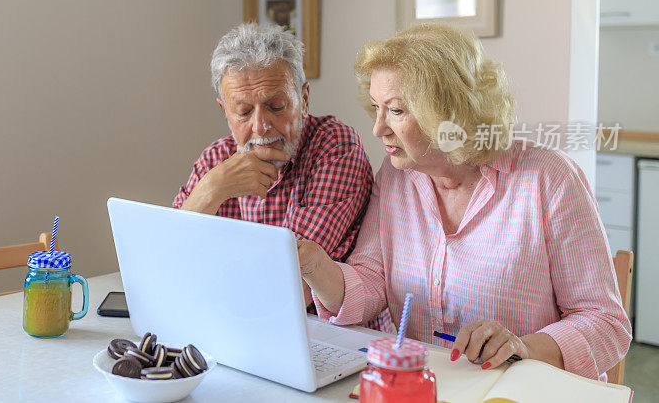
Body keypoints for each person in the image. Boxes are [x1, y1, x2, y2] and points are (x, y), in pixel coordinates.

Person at [297, 23, 631, 380]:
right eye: (377, 108)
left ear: (447, 112)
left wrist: (523, 347)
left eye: (395, 111)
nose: (378, 128)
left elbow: (606, 322)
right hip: (428, 387)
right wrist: (317, 267)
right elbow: (372, 279)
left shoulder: (550, 179)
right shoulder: (396, 175)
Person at [173, 22, 374, 308]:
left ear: (303, 99)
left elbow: (287, 282)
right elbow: (169, 265)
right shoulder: (215, 160)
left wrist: (205, 270)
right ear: (225, 112)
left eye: (276, 106)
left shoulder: (335, 148)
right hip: (231, 323)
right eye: (243, 112)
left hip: (325, 333)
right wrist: (212, 190)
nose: (261, 126)